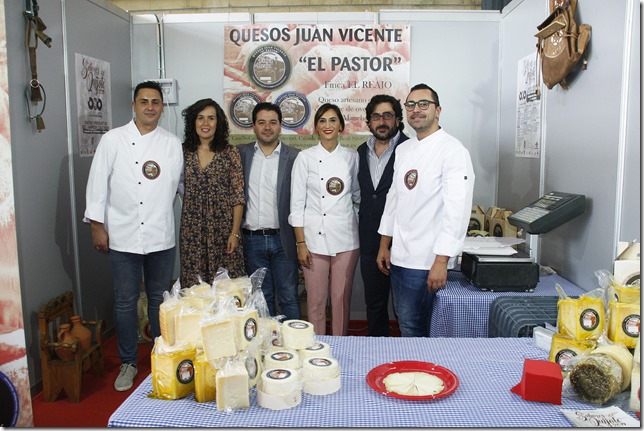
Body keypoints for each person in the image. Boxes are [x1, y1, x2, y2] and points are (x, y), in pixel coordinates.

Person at [84, 80, 183, 391]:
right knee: (125, 301)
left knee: (158, 299)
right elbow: (97, 185)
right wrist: (96, 225)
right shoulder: (113, 140)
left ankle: (159, 356)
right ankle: (128, 362)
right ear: (134, 105)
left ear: (162, 107)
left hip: (160, 235)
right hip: (123, 234)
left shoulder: (172, 143)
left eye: (155, 102)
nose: (150, 107)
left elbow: (183, 189)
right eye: (144, 101)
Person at [376, 83, 475, 337]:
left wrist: (441, 260)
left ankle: (420, 372)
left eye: (423, 104)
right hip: (399, 257)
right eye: (410, 105)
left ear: (438, 110)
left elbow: (458, 210)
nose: (416, 110)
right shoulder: (403, 149)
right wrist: (384, 245)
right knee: (405, 321)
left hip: (427, 261)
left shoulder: (452, 150)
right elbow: (394, 199)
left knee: (416, 327)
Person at [289, 103, 360, 335]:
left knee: (340, 299)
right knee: (316, 299)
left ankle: (342, 344)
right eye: (322, 121)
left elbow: (358, 196)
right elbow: (297, 205)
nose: (327, 125)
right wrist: (300, 243)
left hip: (346, 239)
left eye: (332, 120)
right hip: (312, 240)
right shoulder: (305, 158)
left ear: (341, 126)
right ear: (315, 128)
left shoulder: (352, 157)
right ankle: (316, 346)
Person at [237, 103, 301, 319]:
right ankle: (267, 347)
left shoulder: (294, 157)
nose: (267, 127)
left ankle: (294, 346)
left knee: (289, 295)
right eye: (261, 122)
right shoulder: (240, 154)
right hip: (252, 240)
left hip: (284, 239)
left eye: (272, 122)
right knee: (261, 298)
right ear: (253, 126)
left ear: (280, 126)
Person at [179, 98, 245, 288]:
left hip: (223, 230)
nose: (205, 124)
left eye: (211, 118)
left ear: (219, 123)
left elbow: (238, 196)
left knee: (226, 288)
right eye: (200, 118)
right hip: (192, 230)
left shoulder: (230, 153)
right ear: (193, 122)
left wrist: (234, 233)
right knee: (194, 288)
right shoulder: (183, 152)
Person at [357, 94, 409, 337]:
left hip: (404, 242)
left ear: (398, 119)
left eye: (388, 115)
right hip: (369, 240)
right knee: (375, 305)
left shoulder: (411, 150)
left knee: (405, 310)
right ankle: (377, 351)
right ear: (368, 122)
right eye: (376, 116)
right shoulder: (360, 152)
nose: (382, 121)